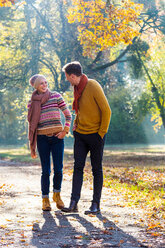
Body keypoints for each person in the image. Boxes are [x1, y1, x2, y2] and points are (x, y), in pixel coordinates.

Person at [61, 61, 111, 214]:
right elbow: (80, 110)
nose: (67, 81)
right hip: (81, 135)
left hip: (96, 135)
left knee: (96, 169)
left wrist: (101, 133)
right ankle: (73, 202)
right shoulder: (77, 88)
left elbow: (106, 111)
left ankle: (95, 204)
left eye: (68, 78)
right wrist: (76, 124)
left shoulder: (92, 85)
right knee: (78, 168)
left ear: (73, 75)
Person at [27, 74, 72, 211]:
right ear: (36, 86)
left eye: (46, 82)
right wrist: (32, 142)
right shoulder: (32, 102)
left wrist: (65, 131)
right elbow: (31, 123)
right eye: (42, 83)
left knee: (58, 169)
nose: (45, 85)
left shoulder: (56, 96)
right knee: (45, 171)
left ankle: (57, 195)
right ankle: (45, 199)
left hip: (57, 138)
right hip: (42, 139)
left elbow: (68, 115)